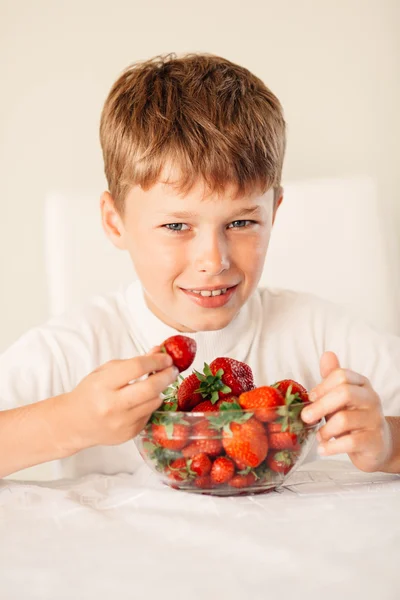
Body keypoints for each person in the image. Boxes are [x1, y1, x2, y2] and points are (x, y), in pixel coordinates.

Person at [0, 53, 399, 480]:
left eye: (242, 222)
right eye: (176, 225)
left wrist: (388, 444)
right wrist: (67, 422)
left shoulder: (321, 334)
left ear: (274, 213)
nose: (214, 260)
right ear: (115, 222)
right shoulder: (70, 351)